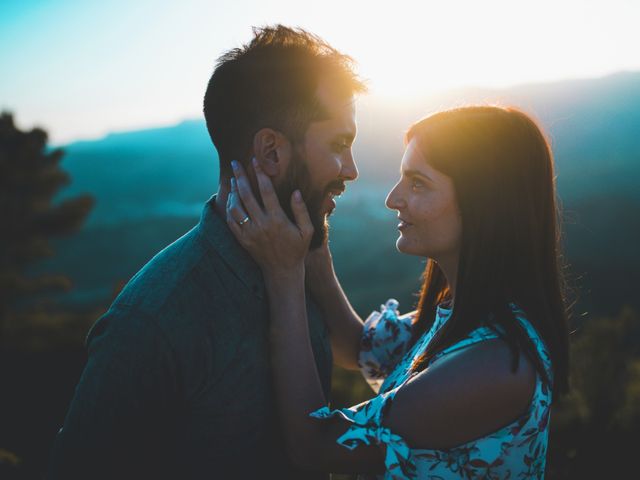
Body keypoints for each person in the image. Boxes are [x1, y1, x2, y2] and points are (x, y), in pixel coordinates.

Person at [47, 25, 366, 480]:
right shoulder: (153, 320)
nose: (351, 170)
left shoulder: (299, 265)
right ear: (271, 152)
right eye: (339, 144)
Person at [226, 105, 571, 479]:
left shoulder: (497, 366)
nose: (393, 198)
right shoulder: (459, 317)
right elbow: (358, 345)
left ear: (484, 204)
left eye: (418, 183)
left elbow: (317, 447)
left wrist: (283, 276)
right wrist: (311, 244)